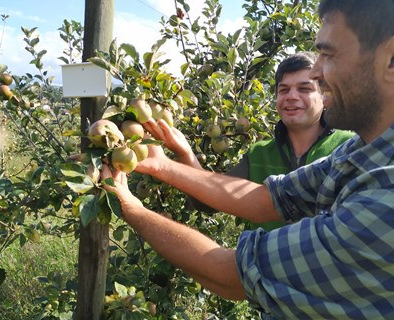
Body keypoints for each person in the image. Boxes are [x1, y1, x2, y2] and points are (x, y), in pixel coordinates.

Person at [101, 0, 394, 318]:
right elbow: (263, 198)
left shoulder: (384, 197)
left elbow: (229, 274)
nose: (317, 71)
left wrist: (130, 207)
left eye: (330, 54)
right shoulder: (359, 152)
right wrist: (163, 164)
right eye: (284, 89)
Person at [143, 52, 354, 231]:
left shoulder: (347, 148)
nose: (291, 96)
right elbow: (209, 201)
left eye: (304, 89)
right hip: (262, 274)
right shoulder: (258, 154)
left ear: (325, 97)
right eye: (283, 90)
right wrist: (185, 154)